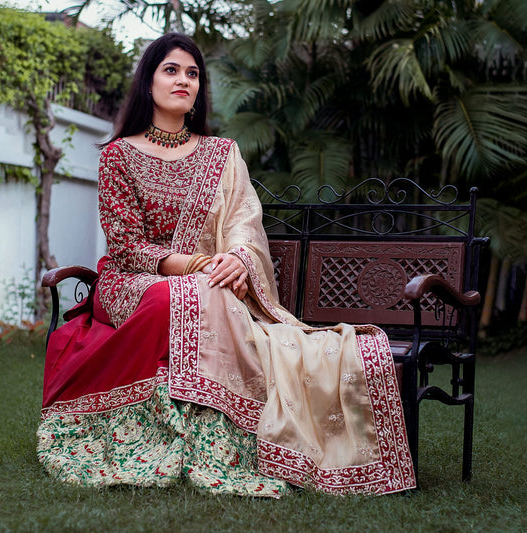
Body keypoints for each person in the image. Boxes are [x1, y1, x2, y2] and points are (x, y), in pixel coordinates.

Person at [37, 33, 416, 496]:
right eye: (171, 70)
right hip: (135, 280)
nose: (184, 81)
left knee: (206, 290)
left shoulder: (222, 154)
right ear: (148, 82)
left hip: (210, 281)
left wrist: (238, 259)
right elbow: (127, 245)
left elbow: (243, 223)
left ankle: (214, 428)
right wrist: (195, 263)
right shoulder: (119, 155)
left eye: (192, 73)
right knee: (180, 294)